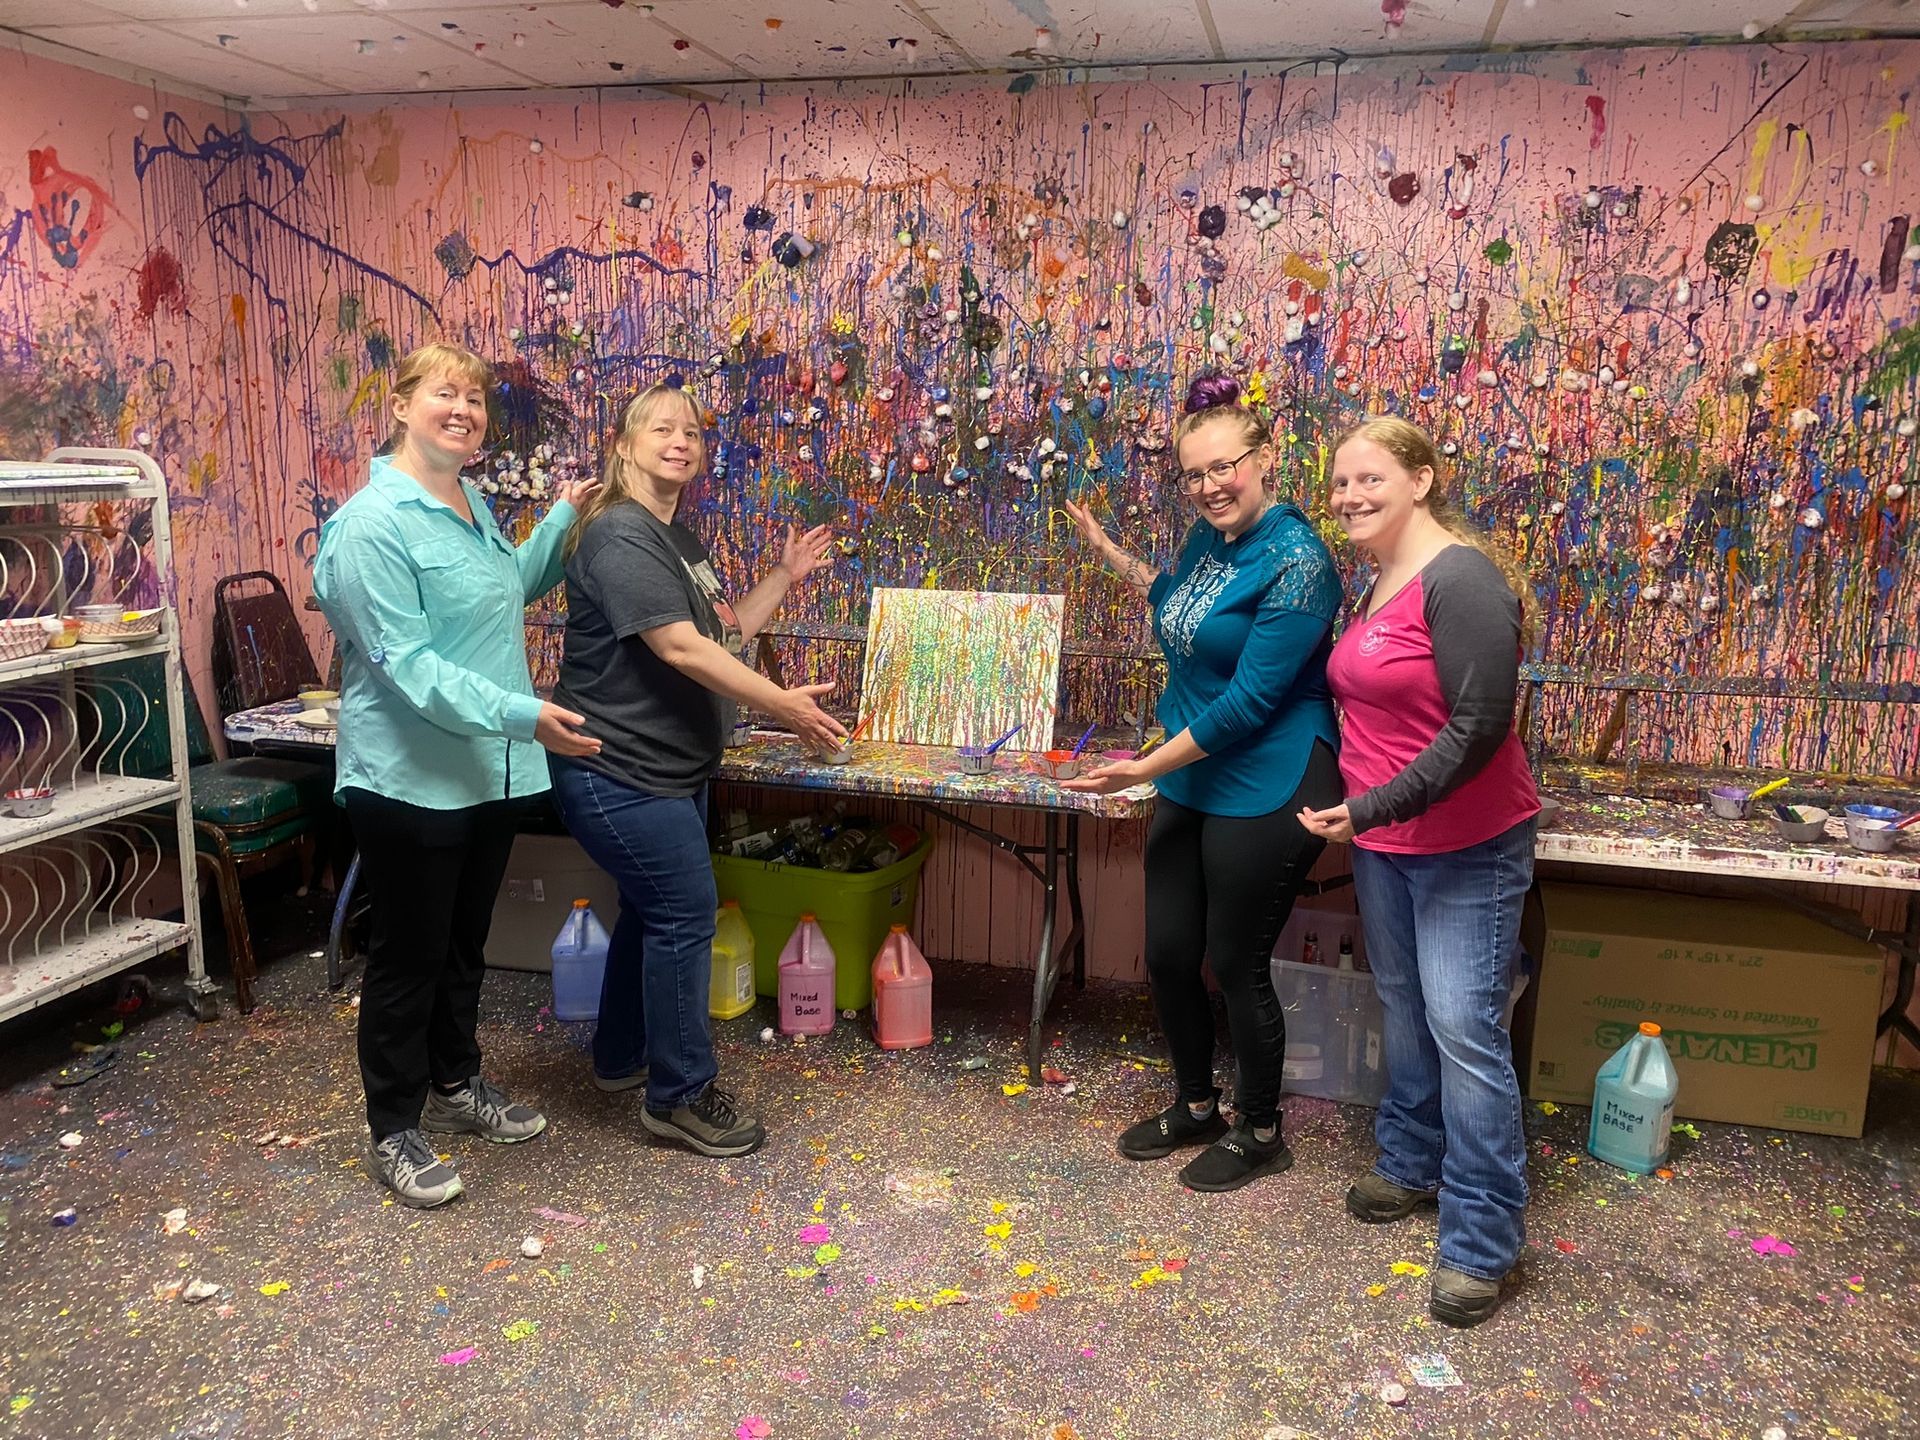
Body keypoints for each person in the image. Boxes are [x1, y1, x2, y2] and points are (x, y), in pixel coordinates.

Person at [314, 342, 603, 1208]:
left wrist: (560, 518)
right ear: (402, 405)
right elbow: (406, 664)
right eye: (446, 393)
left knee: (462, 945)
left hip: (485, 772)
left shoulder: (470, 504)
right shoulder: (370, 525)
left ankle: (453, 1085)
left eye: (475, 400)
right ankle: (394, 1128)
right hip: (408, 779)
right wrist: (524, 713)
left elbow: (507, 589)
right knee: (409, 956)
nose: (464, 410)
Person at [547, 379, 845, 1159]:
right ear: (624, 446)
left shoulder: (675, 538)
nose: (681, 442)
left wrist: (783, 576)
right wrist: (783, 705)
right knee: (683, 913)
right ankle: (678, 1098)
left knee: (652, 911)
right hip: (618, 772)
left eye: (691, 433)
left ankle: (621, 1057)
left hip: (665, 771)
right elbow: (678, 648)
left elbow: (722, 634)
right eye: (661, 429)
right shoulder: (619, 532)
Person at [1062, 373, 1343, 1192]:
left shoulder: (1300, 561)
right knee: (1170, 951)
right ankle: (1196, 1106)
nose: (1212, 485)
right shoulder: (1206, 540)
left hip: (1270, 770)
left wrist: (1143, 768)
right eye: (1195, 474)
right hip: (1195, 765)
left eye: (1226, 466)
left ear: (1266, 459)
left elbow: (1252, 700)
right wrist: (1111, 552)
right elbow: (1179, 608)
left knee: (1235, 957)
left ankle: (1260, 1129)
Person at [1297, 415, 1540, 1327]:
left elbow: (1479, 728)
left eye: (1370, 479)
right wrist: (1357, 810)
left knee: (1465, 1030)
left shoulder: (1461, 579)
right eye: (1340, 484)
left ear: (1422, 479)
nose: (1350, 496)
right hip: (1386, 845)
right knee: (1403, 1005)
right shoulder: (1379, 581)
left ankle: (1482, 1238)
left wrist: (1370, 808)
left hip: (1465, 847)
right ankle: (1411, 1158)